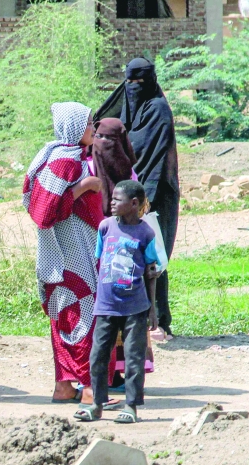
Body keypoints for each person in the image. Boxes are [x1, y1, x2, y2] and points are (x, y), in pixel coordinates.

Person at [23, 102, 104, 405]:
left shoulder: (66, 156)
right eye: (88, 124)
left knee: (65, 315)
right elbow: (43, 211)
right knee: (84, 313)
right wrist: (83, 187)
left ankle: (64, 386)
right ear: (74, 127)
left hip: (66, 255)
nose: (93, 128)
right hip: (70, 253)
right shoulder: (64, 161)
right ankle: (88, 387)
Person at [95, 57, 179, 337]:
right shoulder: (124, 109)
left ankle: (159, 320)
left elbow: (155, 157)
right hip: (127, 194)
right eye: (128, 82)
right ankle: (132, 320)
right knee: (125, 255)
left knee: (155, 256)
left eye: (138, 83)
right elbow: (104, 130)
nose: (133, 88)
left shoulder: (158, 110)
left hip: (156, 195)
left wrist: (143, 199)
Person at [75, 180, 160, 424]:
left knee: (134, 358)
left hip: (135, 307)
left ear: (134, 204)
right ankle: (97, 405)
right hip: (106, 305)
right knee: (99, 355)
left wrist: (152, 309)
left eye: (117, 200)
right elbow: (100, 262)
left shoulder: (146, 233)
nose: (111, 203)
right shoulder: (105, 227)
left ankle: (131, 406)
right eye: (111, 198)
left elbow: (151, 272)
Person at [90, 118, 156, 386]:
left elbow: (143, 211)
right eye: (99, 137)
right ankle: (105, 377)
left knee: (131, 323)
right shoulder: (89, 168)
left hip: (131, 255)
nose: (103, 145)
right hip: (104, 251)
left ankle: (125, 379)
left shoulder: (131, 177)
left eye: (110, 140)